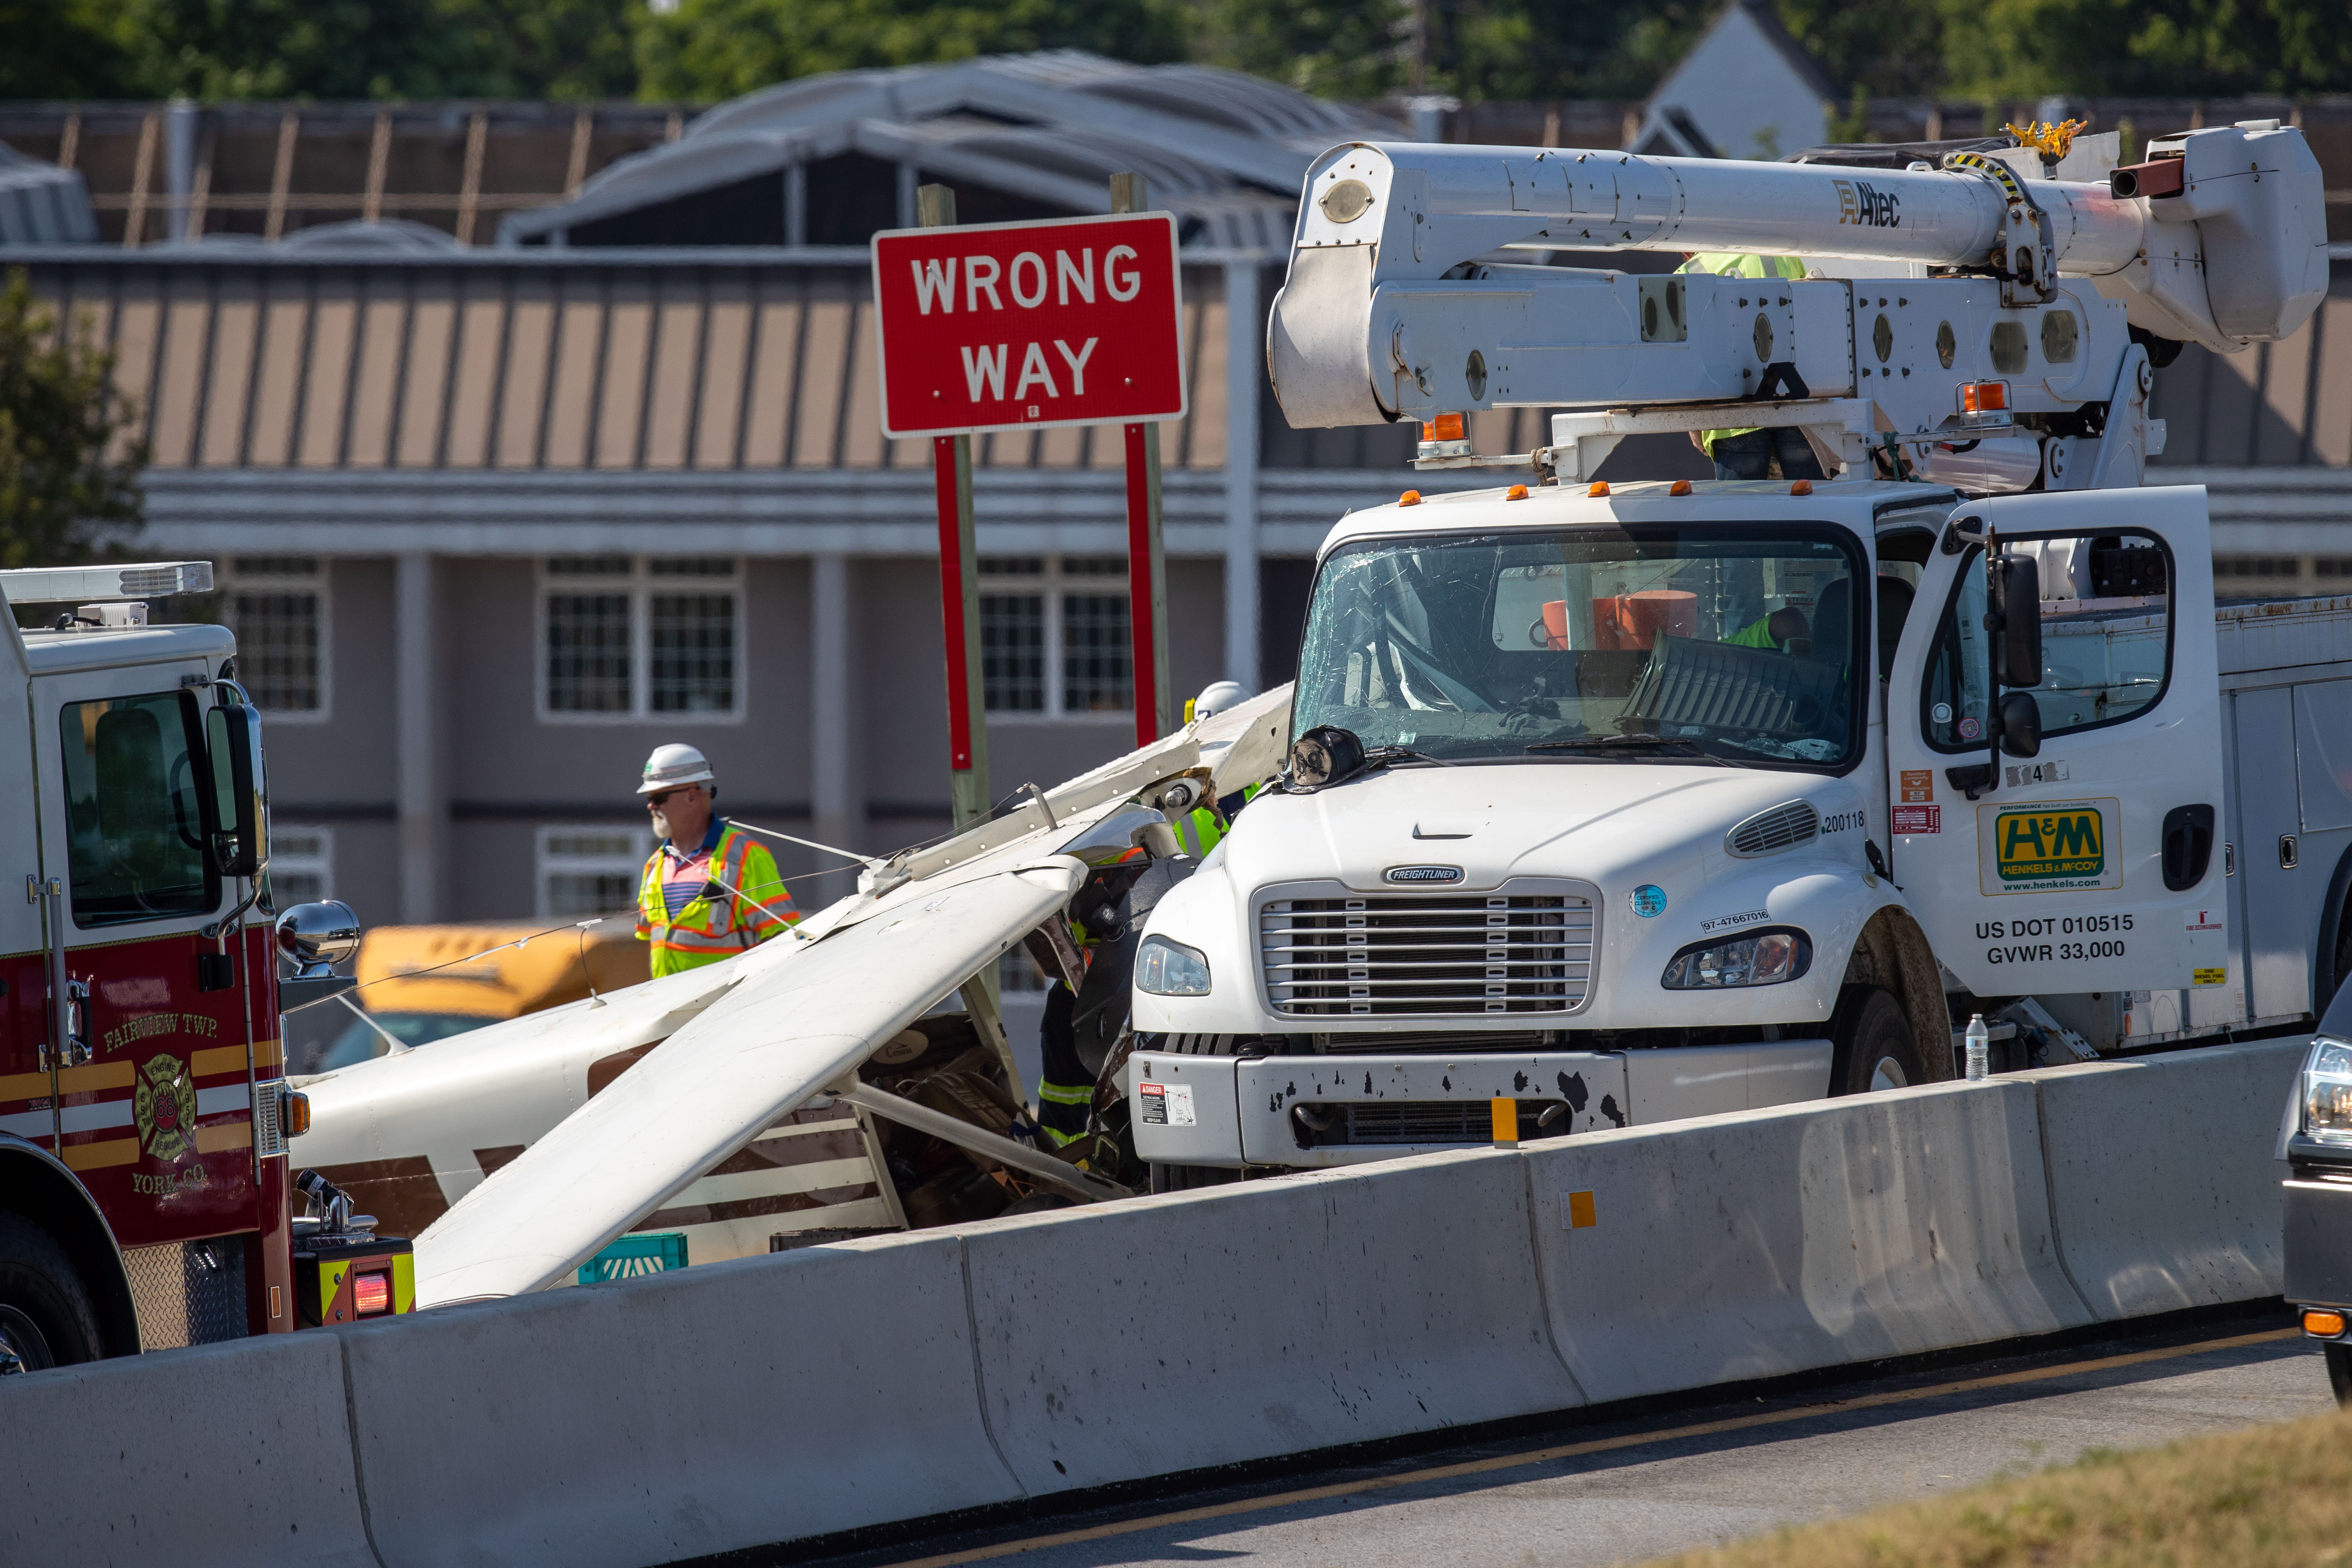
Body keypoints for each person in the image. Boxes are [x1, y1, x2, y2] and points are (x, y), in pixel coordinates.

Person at [632, 743, 797, 977]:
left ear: (692, 796)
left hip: (728, 1007)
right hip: (670, 1007)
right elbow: (652, 940)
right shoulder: (655, 865)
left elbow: (785, 939)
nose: (651, 806)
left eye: (659, 797)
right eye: (650, 797)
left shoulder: (746, 855)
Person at [1676, 251, 1825, 483]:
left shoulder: (1690, 273)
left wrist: (1694, 423)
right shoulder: (1782, 253)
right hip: (1795, 399)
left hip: (1733, 416)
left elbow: (1689, 355)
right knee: (1809, 505)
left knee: (1742, 510)